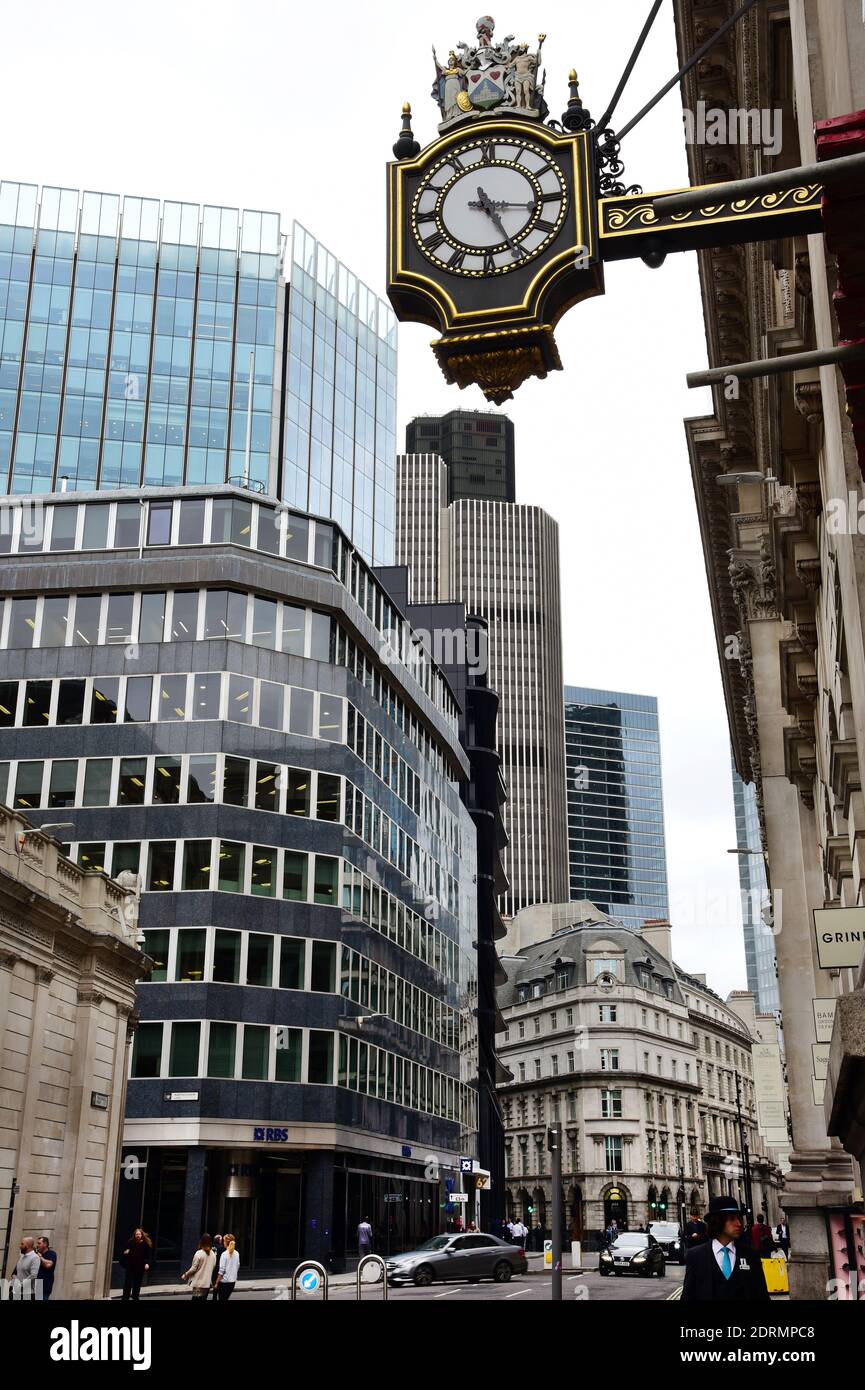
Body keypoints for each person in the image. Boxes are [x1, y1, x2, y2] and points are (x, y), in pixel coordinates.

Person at [681, 1196, 770, 1301]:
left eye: (739, 1218)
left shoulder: (751, 1255)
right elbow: (688, 1296)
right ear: (718, 1222)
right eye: (732, 1219)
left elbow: (762, 1295)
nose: (739, 1224)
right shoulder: (695, 1256)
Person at [120, 1228, 152, 1301]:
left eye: (139, 1234)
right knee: (127, 1283)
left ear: (141, 1235)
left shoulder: (145, 1244)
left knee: (137, 1283)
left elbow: (148, 1255)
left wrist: (147, 1263)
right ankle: (125, 1297)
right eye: (136, 1234)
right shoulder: (130, 1242)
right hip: (130, 1266)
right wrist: (125, 1253)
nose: (138, 1235)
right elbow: (124, 1252)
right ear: (134, 1235)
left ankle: (135, 1297)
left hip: (139, 1267)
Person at [182, 1235, 216, 1302]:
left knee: (195, 1299)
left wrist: (186, 1275)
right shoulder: (213, 1254)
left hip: (198, 1284)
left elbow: (193, 1268)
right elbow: (213, 1267)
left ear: (201, 1242)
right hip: (207, 1284)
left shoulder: (199, 1253)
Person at [213, 1234, 239, 1301]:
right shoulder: (237, 1253)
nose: (223, 1243)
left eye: (224, 1241)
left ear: (226, 1242)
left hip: (224, 1282)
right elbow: (237, 1266)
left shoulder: (224, 1254)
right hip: (232, 1281)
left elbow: (221, 1271)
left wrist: (216, 1283)